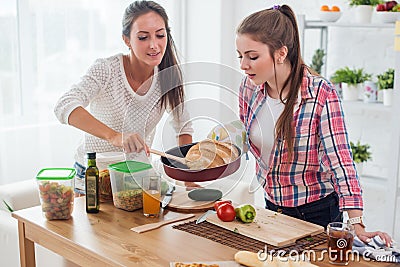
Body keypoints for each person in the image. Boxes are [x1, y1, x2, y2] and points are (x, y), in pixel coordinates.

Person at [236, 4, 392, 246]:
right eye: (240, 56)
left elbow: (340, 160)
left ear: (280, 53)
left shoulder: (321, 93)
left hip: (316, 214)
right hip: (271, 207)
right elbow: (251, 139)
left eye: (252, 56)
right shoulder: (249, 88)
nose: (243, 65)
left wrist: (357, 224)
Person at [54, 0, 193, 195]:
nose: (154, 45)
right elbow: (64, 105)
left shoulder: (168, 77)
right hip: (95, 173)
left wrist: (189, 177)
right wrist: (115, 137)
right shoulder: (107, 70)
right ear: (127, 40)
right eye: (143, 37)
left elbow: (184, 127)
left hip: (138, 175)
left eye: (160, 35)